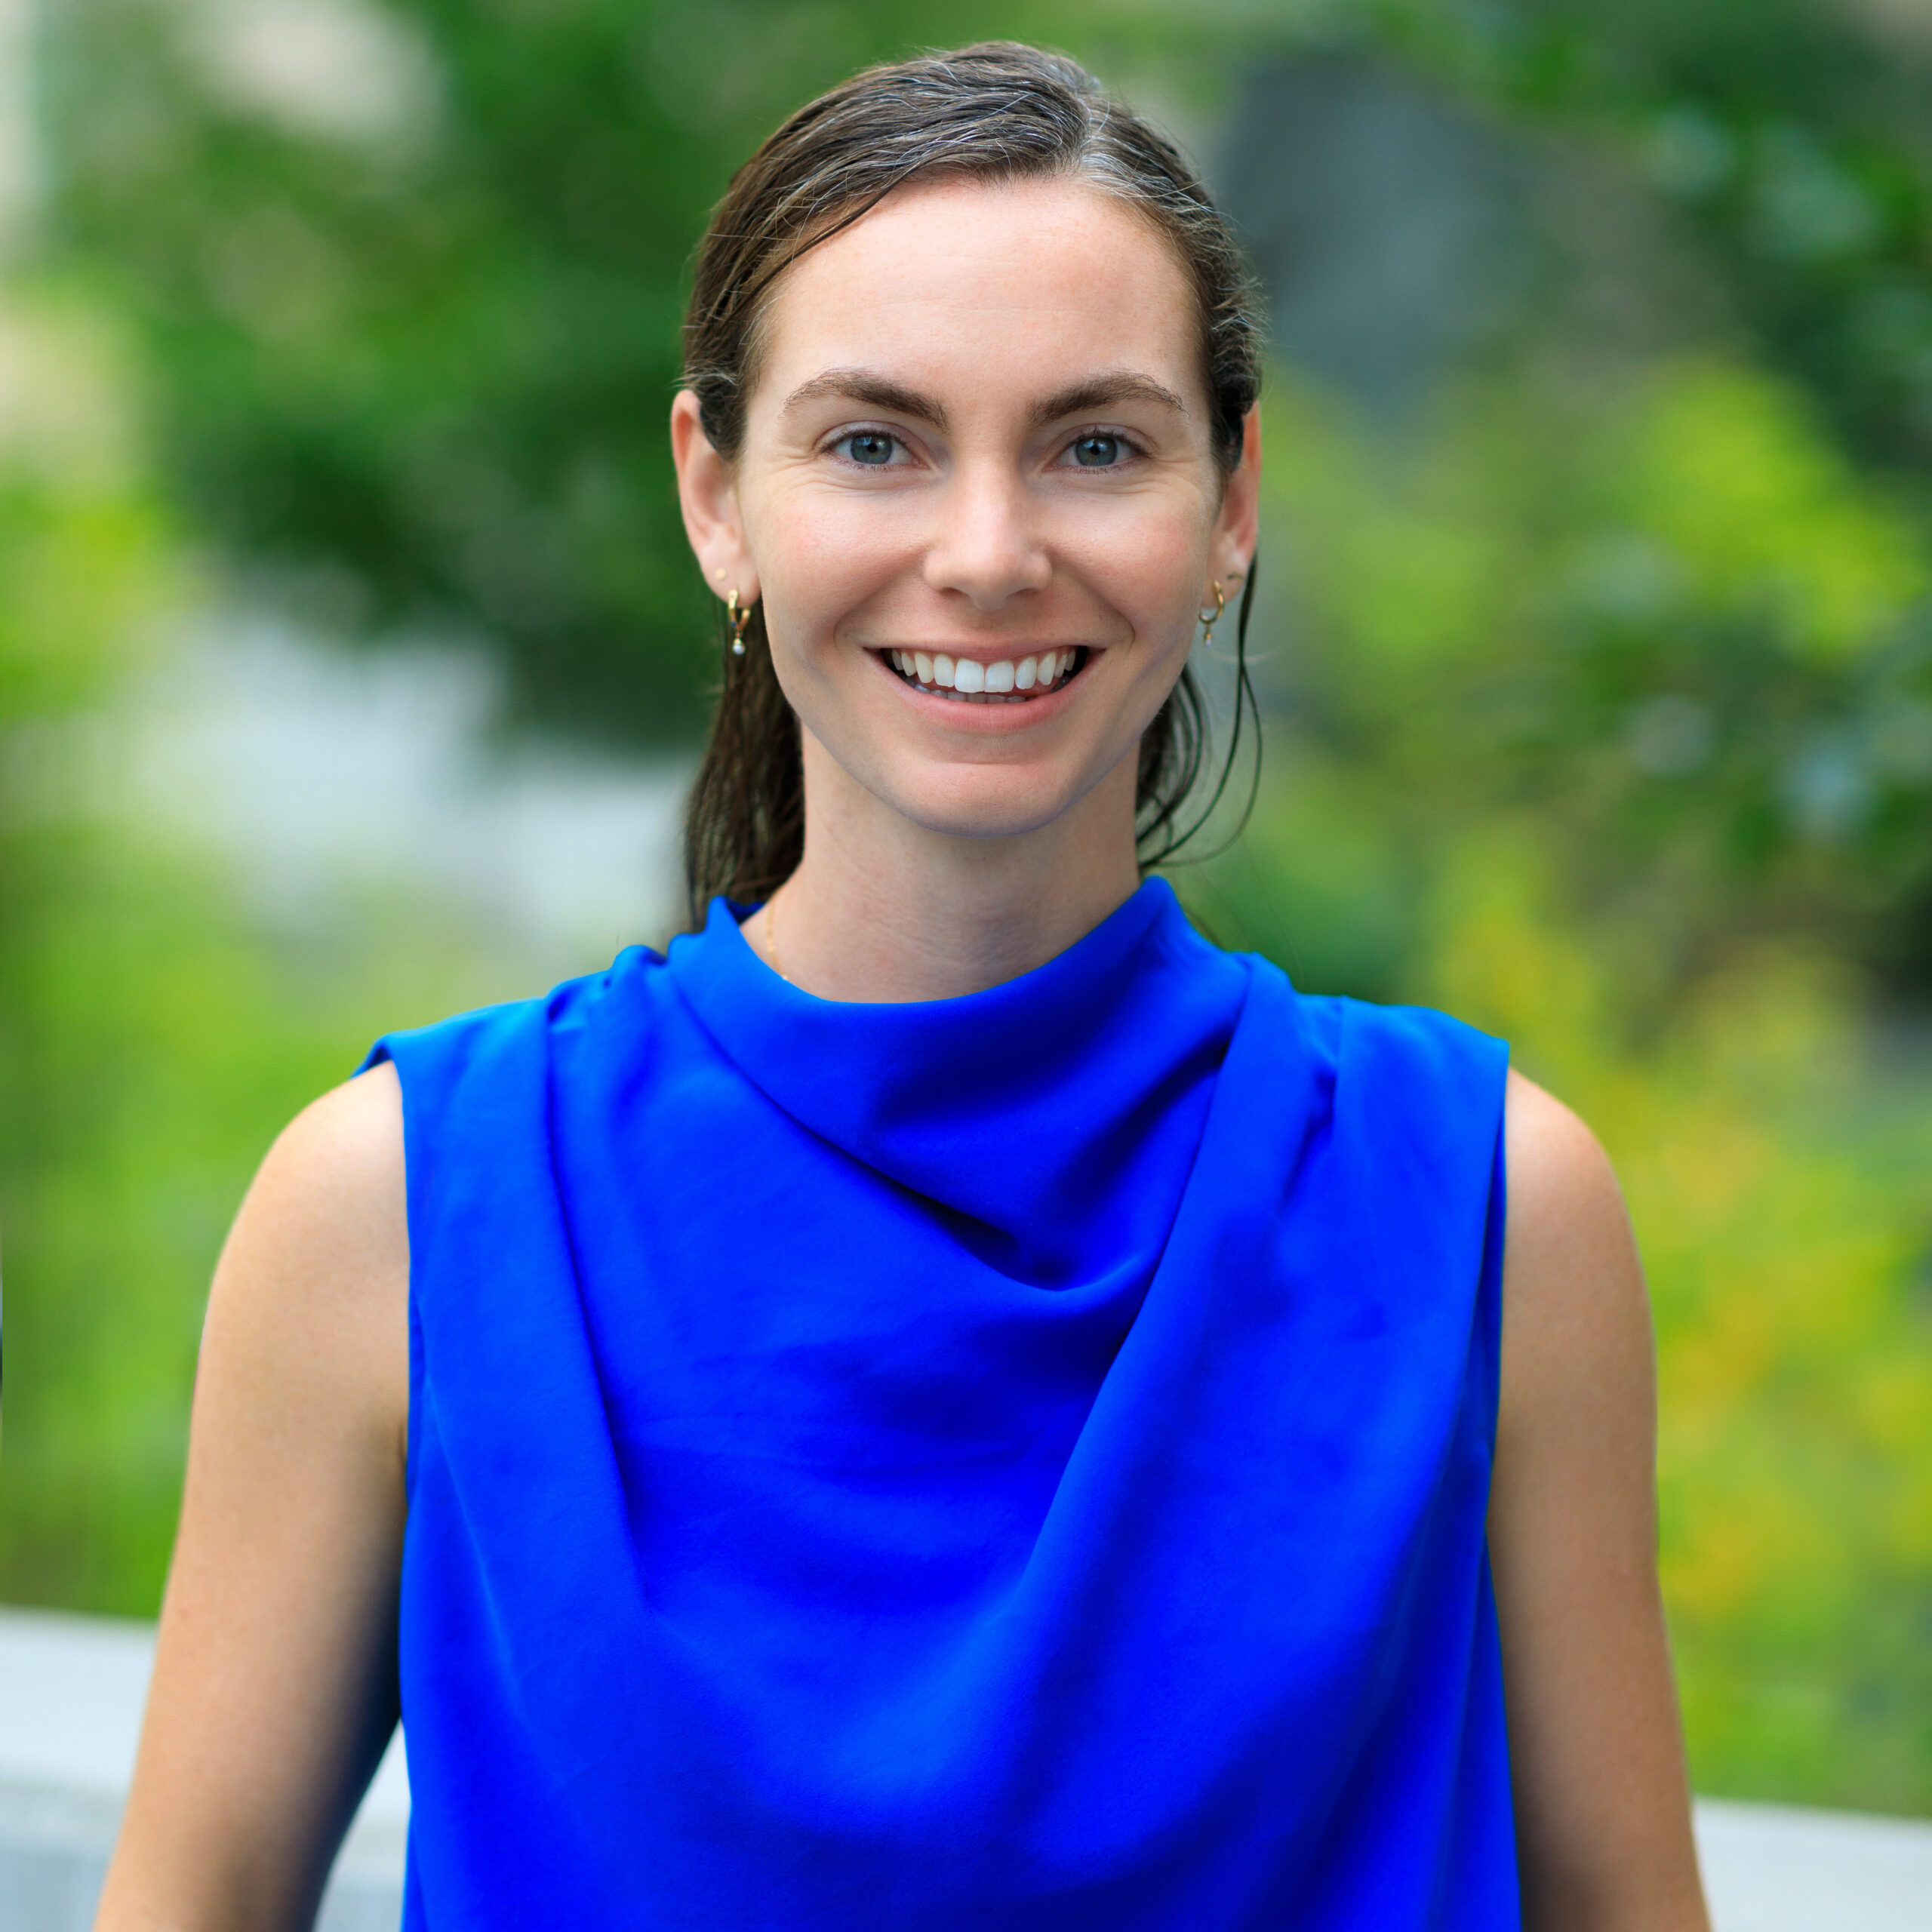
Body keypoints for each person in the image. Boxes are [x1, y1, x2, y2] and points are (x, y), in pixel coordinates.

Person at [97, 42, 1710, 1932]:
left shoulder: (1496, 1209)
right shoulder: (390, 1208)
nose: (986, 552)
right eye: (874, 441)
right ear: (715, 494)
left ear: (1231, 497)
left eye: (1094, 444)